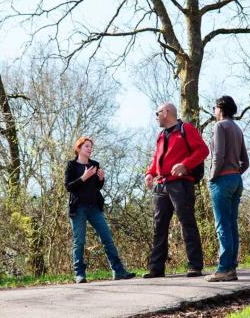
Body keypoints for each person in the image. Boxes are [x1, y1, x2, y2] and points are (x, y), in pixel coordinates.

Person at [143, 103, 209, 278]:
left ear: (166, 113)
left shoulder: (185, 128)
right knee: (159, 226)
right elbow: (157, 157)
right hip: (161, 184)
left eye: (158, 113)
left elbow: (203, 150)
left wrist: (184, 165)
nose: (156, 116)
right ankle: (156, 268)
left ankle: (195, 265)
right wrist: (150, 173)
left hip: (181, 184)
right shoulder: (160, 135)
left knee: (187, 222)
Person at [64, 137, 136, 283]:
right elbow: (68, 187)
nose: (90, 149)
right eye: (86, 146)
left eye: (91, 147)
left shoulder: (95, 164)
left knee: (107, 238)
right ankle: (79, 274)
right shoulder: (71, 166)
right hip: (78, 209)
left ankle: (118, 271)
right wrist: (84, 177)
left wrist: (101, 179)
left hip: (94, 207)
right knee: (79, 241)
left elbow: (96, 187)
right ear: (78, 149)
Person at [205, 96, 249, 282]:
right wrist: (236, 173)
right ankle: (231, 267)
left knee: (222, 224)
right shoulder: (238, 129)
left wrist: (212, 176)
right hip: (236, 179)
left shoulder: (220, 126)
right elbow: (245, 162)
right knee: (231, 224)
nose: (213, 111)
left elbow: (218, 155)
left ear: (220, 109)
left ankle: (224, 268)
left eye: (214, 108)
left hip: (222, 180)